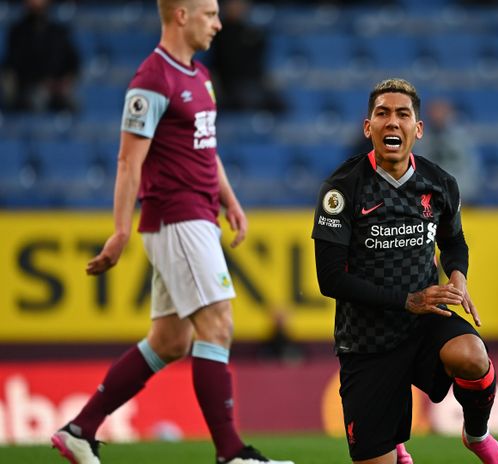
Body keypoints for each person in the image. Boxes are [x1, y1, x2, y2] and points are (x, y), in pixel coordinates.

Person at [49, 1, 292, 463]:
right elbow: (128, 161)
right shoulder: (151, 80)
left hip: (199, 214)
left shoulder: (200, 77)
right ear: (181, 14)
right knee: (218, 324)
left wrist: (229, 198)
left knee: (171, 340)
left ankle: (79, 430)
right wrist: (120, 231)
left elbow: (206, 146)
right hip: (177, 217)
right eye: (209, 13)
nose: (218, 23)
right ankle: (232, 454)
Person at [312, 78, 498, 464]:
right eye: (382, 114)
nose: (393, 122)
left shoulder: (439, 183)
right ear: (368, 127)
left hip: (424, 325)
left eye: (402, 114)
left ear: (418, 129)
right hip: (366, 340)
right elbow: (331, 280)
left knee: (472, 355)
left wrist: (457, 276)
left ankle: (477, 436)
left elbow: (454, 242)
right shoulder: (341, 189)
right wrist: (409, 300)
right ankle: (395, 445)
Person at [208, 0, 287, 114]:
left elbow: (260, 65)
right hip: (229, 85)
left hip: (253, 84)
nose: (237, 7)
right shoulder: (217, 34)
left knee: (279, 104)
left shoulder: (253, 33)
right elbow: (219, 64)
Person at [1, 0, 80, 112]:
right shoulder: (17, 33)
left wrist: (64, 81)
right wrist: (41, 83)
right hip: (29, 90)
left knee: (73, 102)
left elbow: (73, 63)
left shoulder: (58, 32)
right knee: (38, 97)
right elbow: (14, 67)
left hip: (56, 88)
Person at [412, 98, 484, 204]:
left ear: (449, 113)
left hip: (461, 192)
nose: (437, 116)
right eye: (434, 112)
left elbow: (472, 166)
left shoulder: (462, 137)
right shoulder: (420, 138)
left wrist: (463, 192)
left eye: (441, 112)